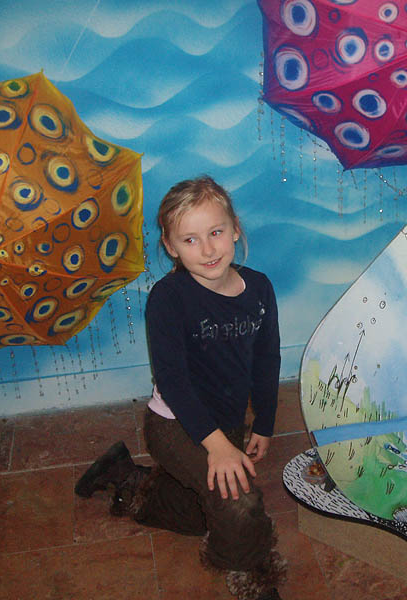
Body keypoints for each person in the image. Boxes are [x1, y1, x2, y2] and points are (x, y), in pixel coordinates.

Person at [75, 175, 285, 600]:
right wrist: (217, 446)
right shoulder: (168, 298)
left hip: (226, 423)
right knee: (238, 501)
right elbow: (173, 383)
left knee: (198, 519)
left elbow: (267, 359)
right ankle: (253, 578)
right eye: (190, 240)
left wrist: (263, 422)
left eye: (216, 232)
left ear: (235, 229)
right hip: (175, 424)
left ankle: (127, 478)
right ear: (170, 247)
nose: (207, 250)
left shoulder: (259, 288)